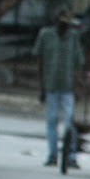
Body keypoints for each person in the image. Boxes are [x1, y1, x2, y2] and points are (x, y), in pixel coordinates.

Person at [33, 10, 84, 168]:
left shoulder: (73, 37)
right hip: (51, 85)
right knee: (52, 120)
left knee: (70, 121)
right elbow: (40, 61)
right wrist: (41, 88)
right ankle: (53, 155)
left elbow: (77, 63)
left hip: (68, 86)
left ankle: (72, 155)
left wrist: (78, 87)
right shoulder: (46, 35)